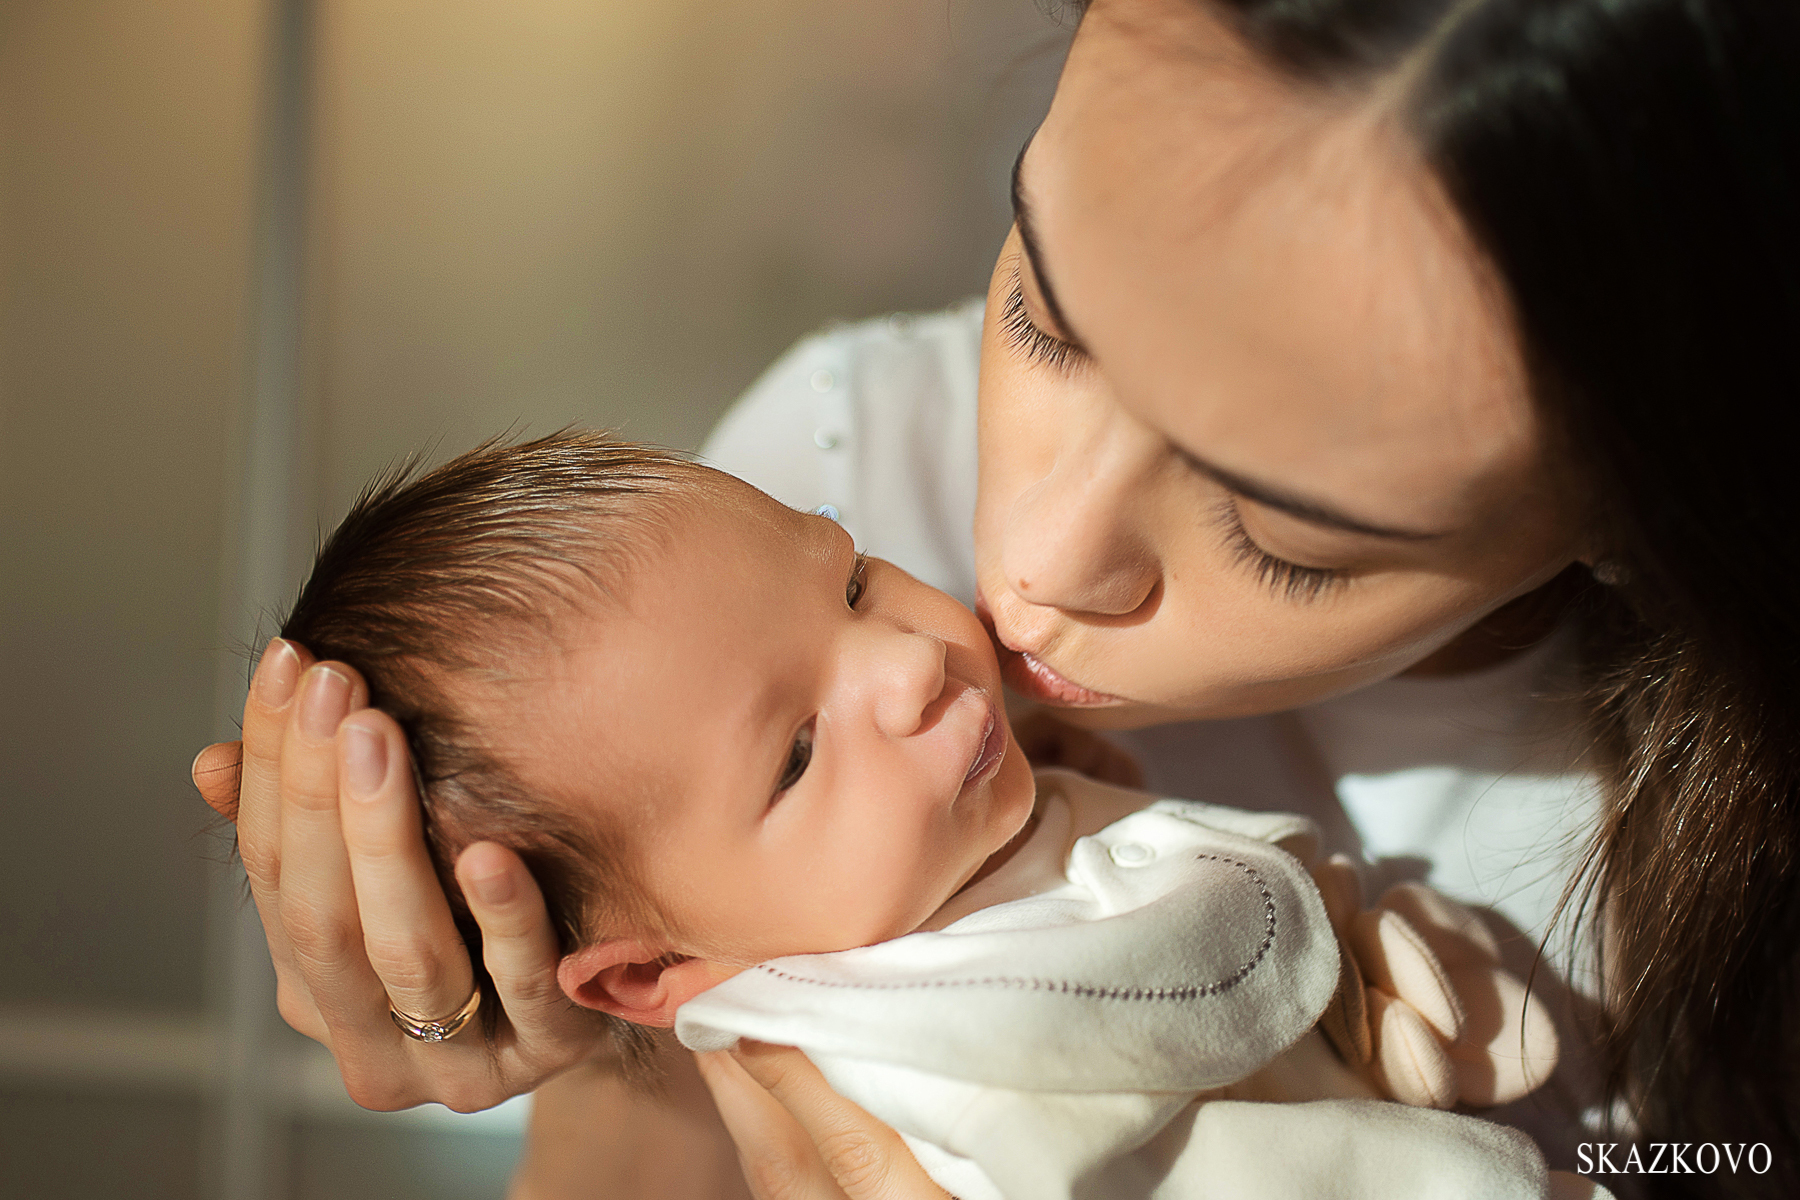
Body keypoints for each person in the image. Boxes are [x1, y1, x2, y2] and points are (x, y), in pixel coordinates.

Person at [190, 0, 1800, 1196]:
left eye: (1286, 530)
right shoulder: (813, 484)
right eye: (1041, 314)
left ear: (1645, 505)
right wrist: (601, 1052)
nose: (1026, 565)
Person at [263, 430, 1589, 1200]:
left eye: (846, 577)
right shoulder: (898, 1064)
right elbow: (1204, 965)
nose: (907, 662)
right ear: (658, 972)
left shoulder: (922, 856)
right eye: (791, 755)